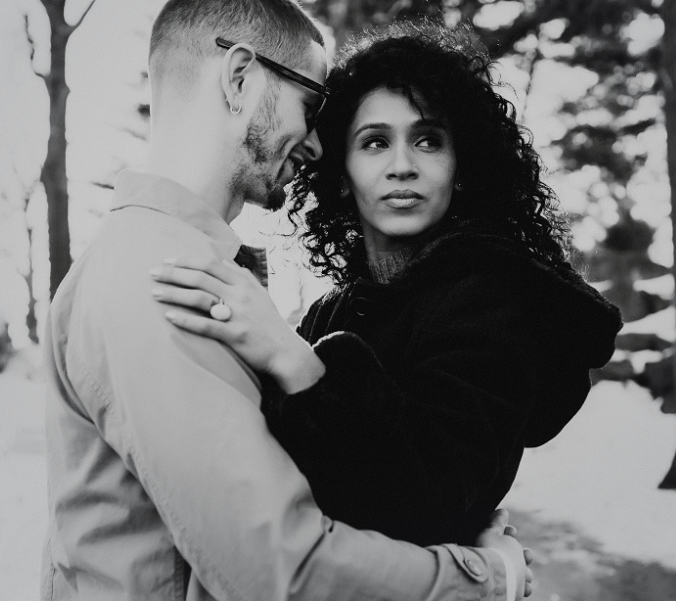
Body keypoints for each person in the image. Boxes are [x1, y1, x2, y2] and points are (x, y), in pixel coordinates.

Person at [42, 1, 533, 600]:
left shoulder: (182, 268)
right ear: (240, 76)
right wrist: (482, 578)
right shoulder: (164, 278)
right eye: (312, 102)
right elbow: (281, 570)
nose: (319, 146)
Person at [150, 21, 622, 556]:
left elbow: (425, 501)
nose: (403, 167)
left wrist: (297, 362)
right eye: (375, 143)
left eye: (429, 141)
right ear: (341, 171)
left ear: (459, 163)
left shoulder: (493, 299)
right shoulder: (336, 309)